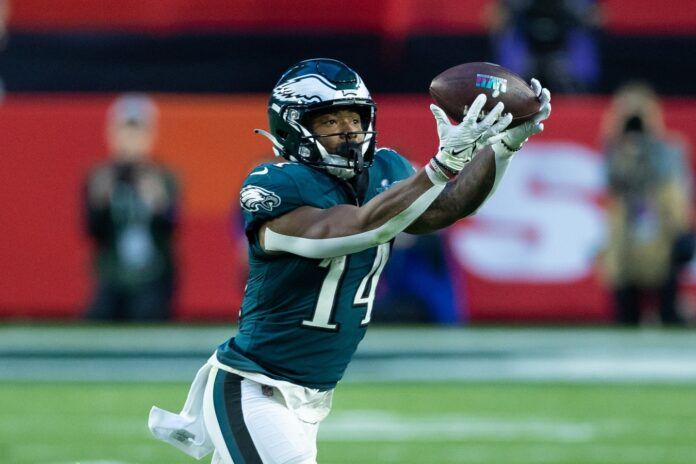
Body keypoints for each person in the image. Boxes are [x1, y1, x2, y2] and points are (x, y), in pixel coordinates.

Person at [149, 58, 551, 463]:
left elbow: (444, 208)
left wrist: (504, 146)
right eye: (330, 122)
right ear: (293, 127)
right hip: (254, 387)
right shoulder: (274, 185)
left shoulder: (385, 169)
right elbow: (354, 228)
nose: (348, 133)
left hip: (309, 399)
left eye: (354, 119)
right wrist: (441, 166)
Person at [600, 82, 693, 326]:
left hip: (659, 227)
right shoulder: (615, 149)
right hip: (627, 235)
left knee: (667, 307)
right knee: (626, 313)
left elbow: (669, 183)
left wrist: (648, 141)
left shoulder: (670, 147)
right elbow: (613, 179)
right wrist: (621, 140)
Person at [84, 94, 179, 321]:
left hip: (152, 276)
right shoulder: (99, 176)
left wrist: (160, 204)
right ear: (112, 134)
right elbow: (91, 230)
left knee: (149, 315)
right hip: (112, 274)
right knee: (97, 319)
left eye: (137, 132)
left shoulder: (163, 177)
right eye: (125, 131)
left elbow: (173, 227)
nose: (131, 139)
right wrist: (99, 203)